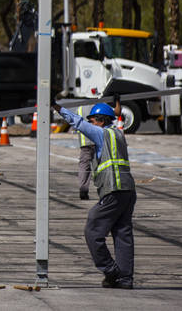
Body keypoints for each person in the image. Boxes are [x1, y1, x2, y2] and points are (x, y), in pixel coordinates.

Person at [54, 100, 136, 290]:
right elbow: (114, 115)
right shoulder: (118, 134)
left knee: (92, 229)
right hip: (127, 191)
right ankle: (125, 279)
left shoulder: (101, 133)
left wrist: (57, 108)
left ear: (99, 121)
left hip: (113, 189)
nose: (90, 123)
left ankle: (110, 270)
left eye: (92, 120)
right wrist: (116, 105)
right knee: (122, 233)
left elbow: (78, 122)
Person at [76, 104, 94, 200]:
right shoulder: (101, 105)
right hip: (98, 140)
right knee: (102, 166)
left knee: (84, 166)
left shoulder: (80, 108)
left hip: (85, 142)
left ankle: (83, 189)